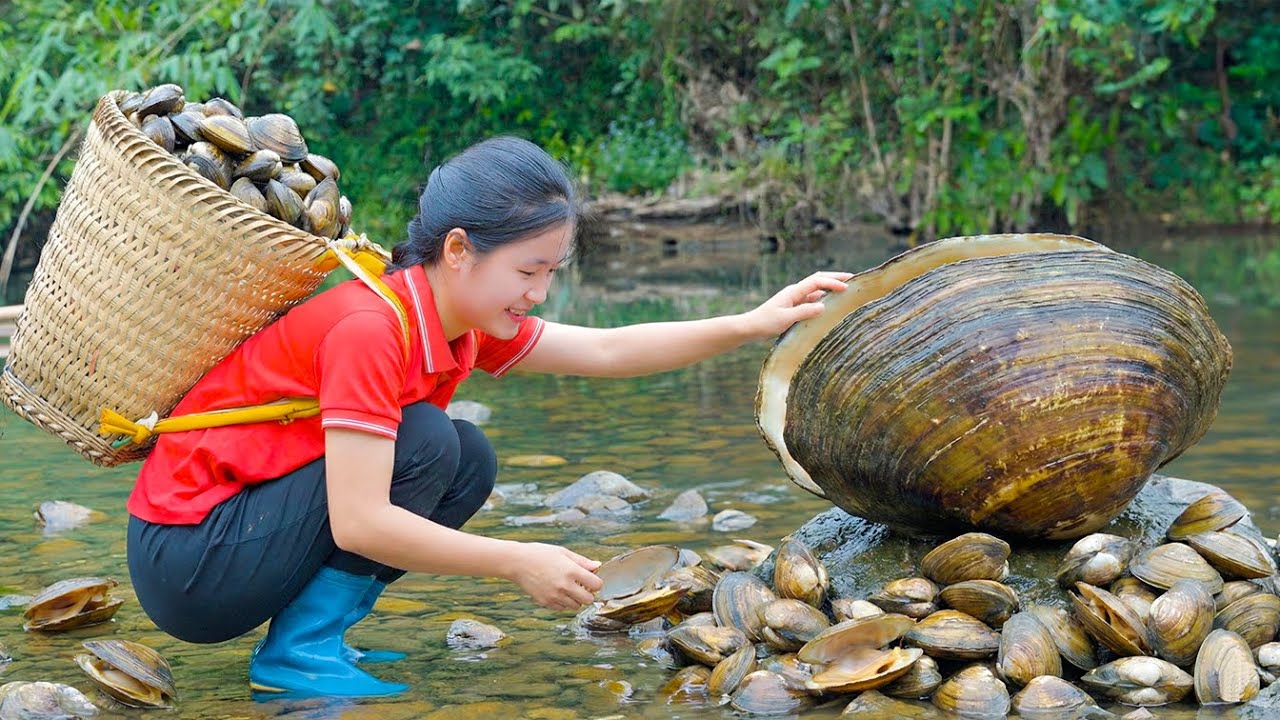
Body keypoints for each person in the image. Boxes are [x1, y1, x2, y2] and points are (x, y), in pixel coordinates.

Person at [125, 135, 851, 698]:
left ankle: (315, 639)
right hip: (189, 560)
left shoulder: (458, 320)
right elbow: (359, 523)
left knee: (465, 457)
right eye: (528, 271)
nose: (538, 292)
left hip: (234, 535)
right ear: (459, 250)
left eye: (550, 274)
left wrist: (754, 322)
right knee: (429, 440)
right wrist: (517, 560)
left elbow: (606, 350)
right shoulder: (370, 328)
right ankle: (295, 656)